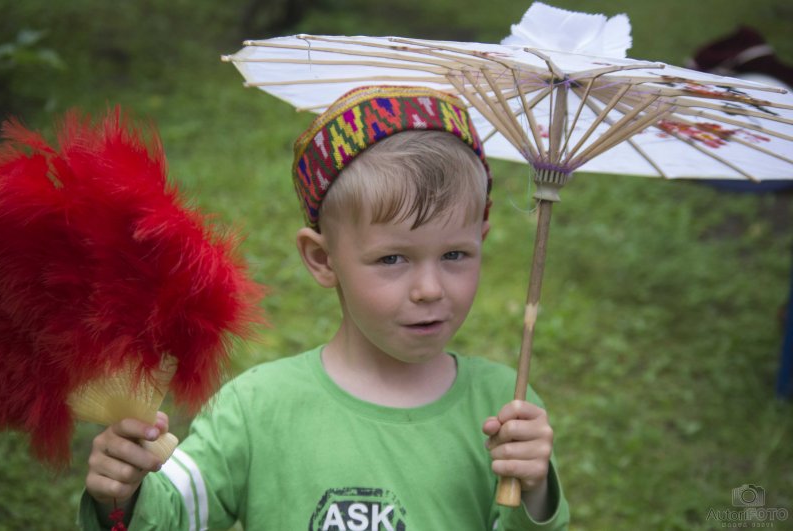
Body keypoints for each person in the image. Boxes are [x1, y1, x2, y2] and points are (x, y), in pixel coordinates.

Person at [78, 85, 571, 530]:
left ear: (482, 239)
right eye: (392, 259)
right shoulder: (256, 408)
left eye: (455, 255)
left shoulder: (505, 409)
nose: (429, 289)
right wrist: (123, 495)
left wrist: (534, 491)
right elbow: (168, 518)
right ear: (322, 258)